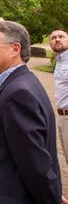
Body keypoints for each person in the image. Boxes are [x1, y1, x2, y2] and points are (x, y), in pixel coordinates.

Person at [0, 20, 63, 203]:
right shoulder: (18, 84)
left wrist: (52, 198)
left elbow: (35, 164)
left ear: (15, 49)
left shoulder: (19, 94)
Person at [51, 29, 68, 165]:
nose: (57, 39)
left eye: (61, 36)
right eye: (53, 37)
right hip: (62, 116)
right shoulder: (60, 60)